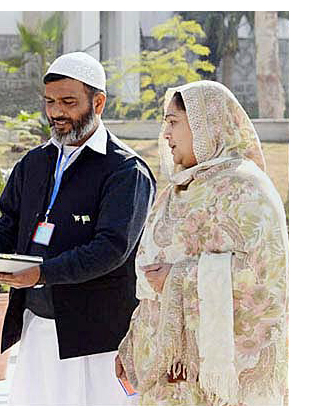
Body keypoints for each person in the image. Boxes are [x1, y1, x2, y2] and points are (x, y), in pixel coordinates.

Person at [0, 52, 156, 405]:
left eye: (68, 102)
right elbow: (8, 221)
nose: (56, 112)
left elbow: (111, 249)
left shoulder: (126, 171)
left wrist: (41, 272)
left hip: (98, 336)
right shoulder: (34, 162)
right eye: (50, 102)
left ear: (98, 102)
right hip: (37, 323)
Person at [115, 80, 289, 405]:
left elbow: (265, 281)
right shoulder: (179, 189)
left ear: (204, 123)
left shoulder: (248, 189)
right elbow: (148, 283)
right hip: (167, 374)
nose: (165, 134)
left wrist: (178, 278)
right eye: (165, 123)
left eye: (173, 122)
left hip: (222, 383)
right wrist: (134, 341)